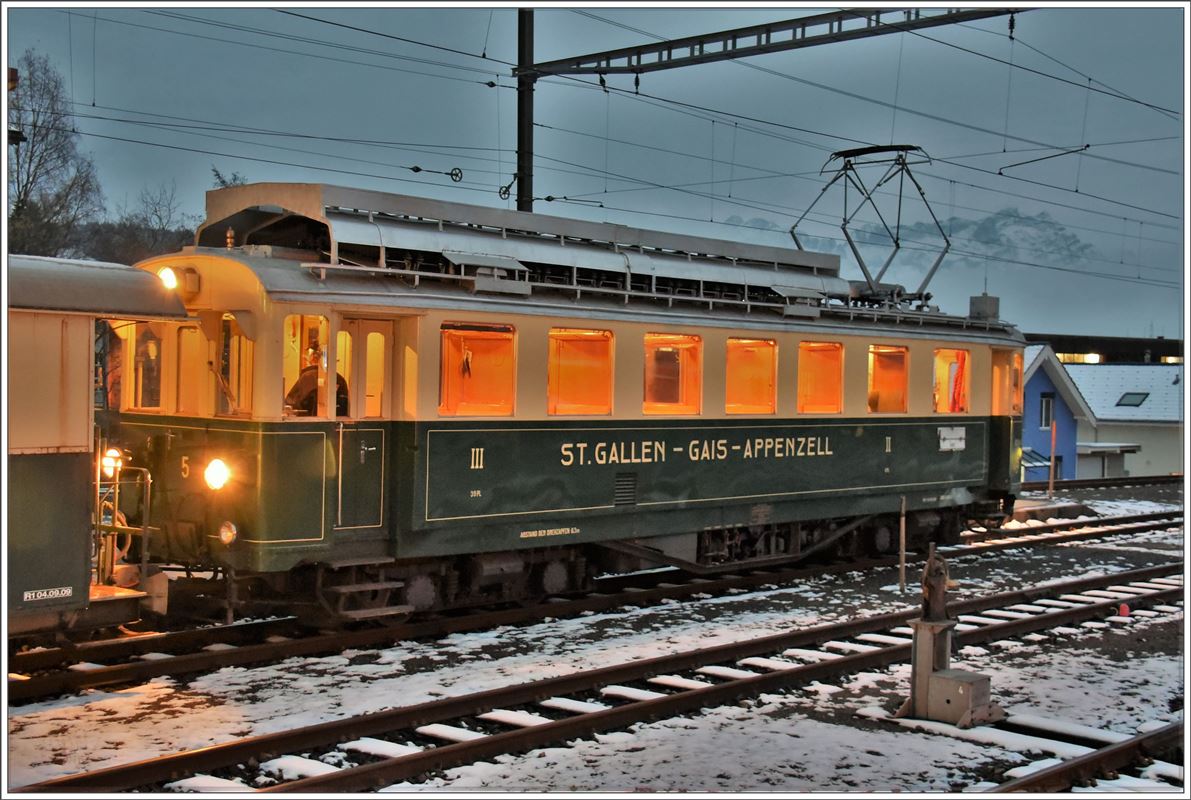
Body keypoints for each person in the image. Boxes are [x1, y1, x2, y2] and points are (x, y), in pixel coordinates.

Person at [285, 348, 349, 417]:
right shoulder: (339, 380)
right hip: (331, 422)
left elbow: (291, 405)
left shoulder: (306, 377)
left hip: (306, 423)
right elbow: (343, 408)